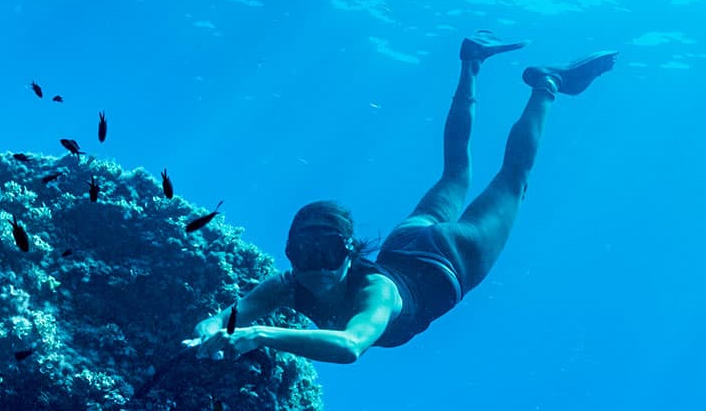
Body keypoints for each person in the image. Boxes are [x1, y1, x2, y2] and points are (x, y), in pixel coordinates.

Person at [184, 32, 616, 364]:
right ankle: (471, 61)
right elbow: (222, 317)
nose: (316, 268)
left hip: (455, 256)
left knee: (513, 179)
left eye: (326, 252)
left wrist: (259, 334)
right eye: (304, 254)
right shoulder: (287, 285)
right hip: (408, 241)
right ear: (291, 253)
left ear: (349, 250)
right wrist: (208, 331)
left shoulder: (377, 291)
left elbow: (351, 345)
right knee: (456, 171)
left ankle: (547, 83)